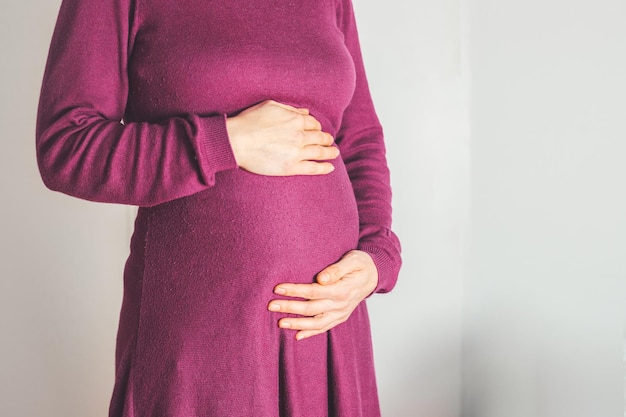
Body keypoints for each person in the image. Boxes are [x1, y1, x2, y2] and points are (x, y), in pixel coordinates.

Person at [36, 0, 402, 415]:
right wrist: (223, 142)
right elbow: (66, 145)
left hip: (329, 331)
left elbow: (359, 136)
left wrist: (377, 257)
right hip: (208, 336)